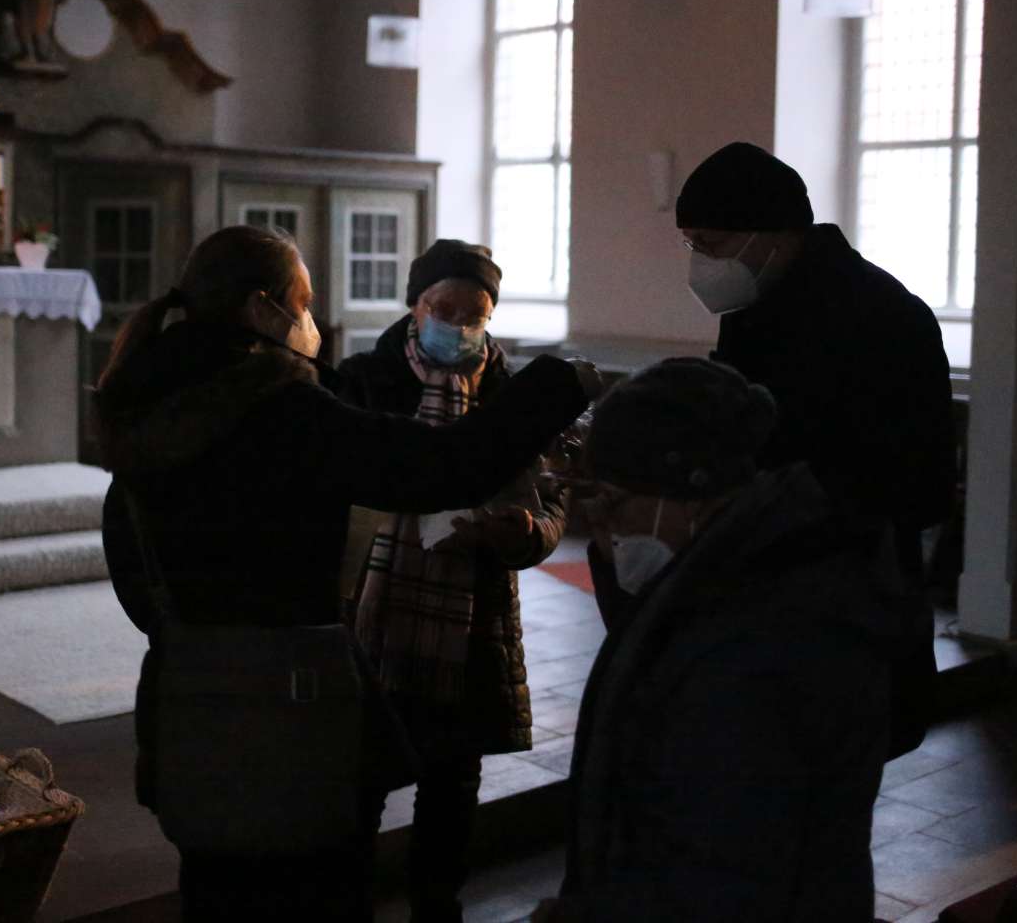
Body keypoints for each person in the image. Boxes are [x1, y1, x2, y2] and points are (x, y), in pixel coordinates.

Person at [94, 225, 597, 922]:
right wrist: (558, 385)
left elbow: (127, 556)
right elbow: (439, 469)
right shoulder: (280, 407)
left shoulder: (150, 394)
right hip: (291, 704)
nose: (310, 319)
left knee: (216, 885)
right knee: (311, 891)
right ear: (264, 309)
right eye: (302, 302)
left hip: (188, 688)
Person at [539, 359, 909, 921]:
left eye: (615, 504)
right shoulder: (733, 581)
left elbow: (723, 878)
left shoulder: (760, 647)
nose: (606, 532)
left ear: (690, 492)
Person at [675, 140, 954, 756]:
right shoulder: (758, 303)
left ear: (768, 234)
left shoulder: (885, 317)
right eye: (691, 244)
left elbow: (920, 480)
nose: (699, 262)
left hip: (847, 599)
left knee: (827, 791)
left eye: (710, 244)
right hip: (763, 592)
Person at [338, 240, 567, 923]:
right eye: (445, 308)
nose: (459, 325)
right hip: (370, 615)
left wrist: (526, 534)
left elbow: (552, 501)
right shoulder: (363, 381)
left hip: (473, 619)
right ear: (415, 306)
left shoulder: (512, 395)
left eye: (476, 314)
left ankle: (437, 908)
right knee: (359, 784)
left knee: (452, 783)